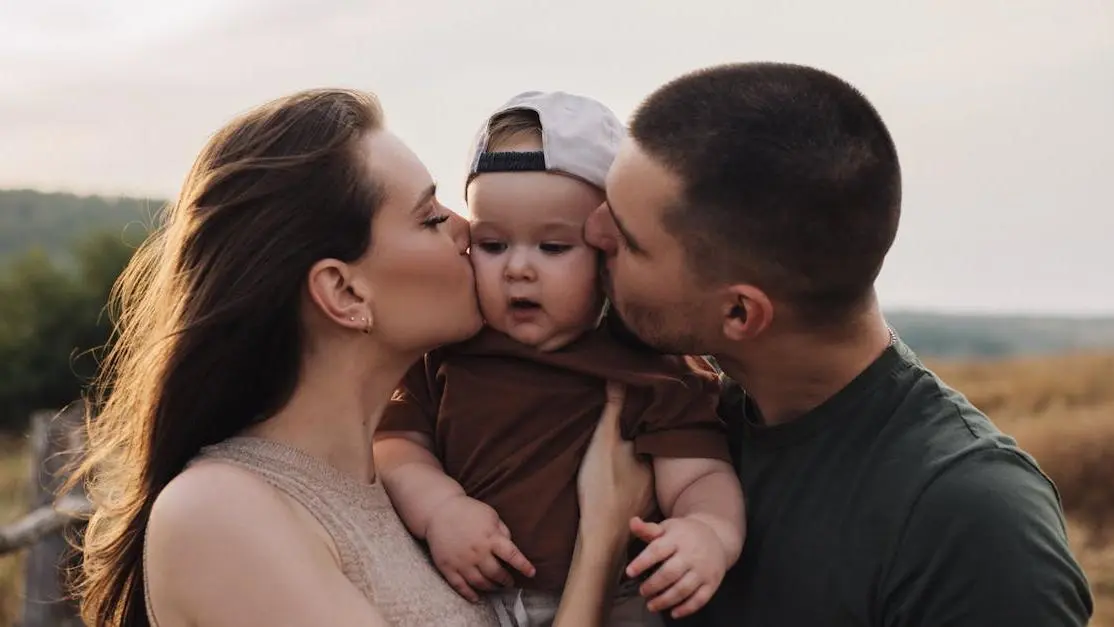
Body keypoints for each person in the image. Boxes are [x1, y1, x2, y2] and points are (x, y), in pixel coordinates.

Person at [67, 87, 654, 627]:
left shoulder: (426, 485)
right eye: (429, 218)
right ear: (345, 294)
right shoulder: (222, 511)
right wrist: (599, 544)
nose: (465, 229)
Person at [582, 62, 1096, 625]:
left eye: (628, 241)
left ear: (739, 311)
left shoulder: (971, 523)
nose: (591, 232)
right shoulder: (667, 418)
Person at [374, 91, 745, 627]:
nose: (518, 269)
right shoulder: (449, 350)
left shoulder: (648, 363)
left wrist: (708, 531)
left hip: (619, 595)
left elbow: (697, 475)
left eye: (552, 248)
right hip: (472, 591)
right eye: (493, 244)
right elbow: (397, 445)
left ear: (606, 251)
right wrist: (440, 510)